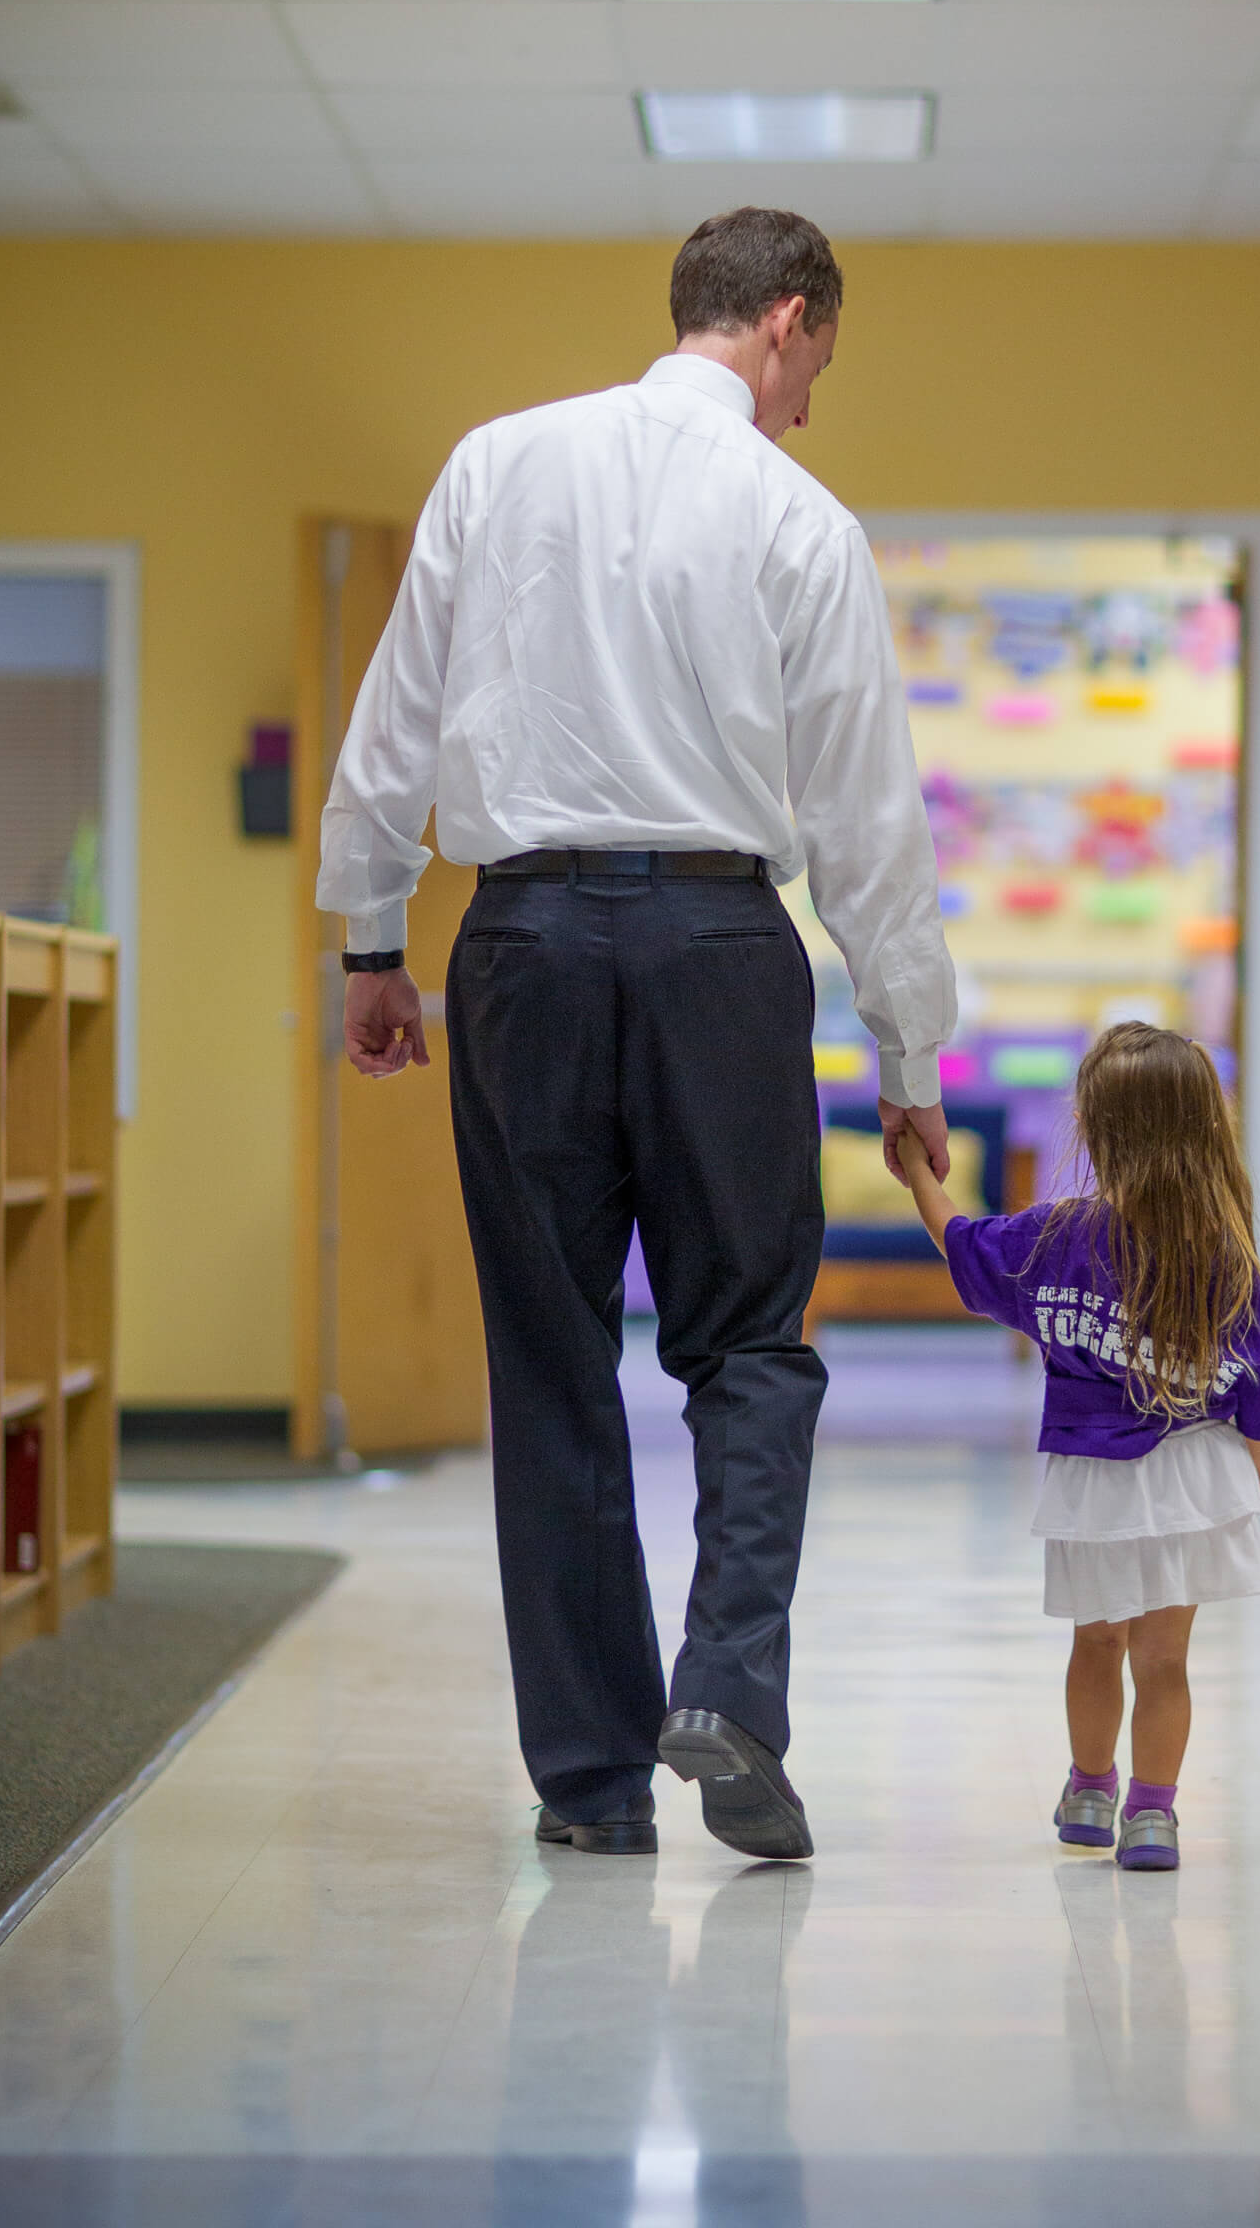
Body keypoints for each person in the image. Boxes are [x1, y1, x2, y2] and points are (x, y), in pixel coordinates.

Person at [317, 208, 955, 1862]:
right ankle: (729, 1693)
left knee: (549, 1361)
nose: (808, 400)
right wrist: (908, 1058)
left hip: (517, 940)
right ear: (784, 321)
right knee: (748, 1341)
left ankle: (592, 1785)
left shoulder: (494, 464)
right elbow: (872, 826)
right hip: (719, 950)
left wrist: (371, 942)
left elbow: (395, 715)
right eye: (815, 365)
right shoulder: (797, 518)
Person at [897, 1021, 1260, 1871]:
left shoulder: (1055, 1239)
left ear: (1097, 1130)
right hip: (1194, 1478)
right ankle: (1153, 1815)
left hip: (1091, 1480)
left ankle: (1090, 1788)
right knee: (1165, 1659)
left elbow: (960, 1244)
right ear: (1205, 1129)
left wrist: (914, 1169)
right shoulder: (1223, 1254)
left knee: (1096, 1643)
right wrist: (1257, 1462)